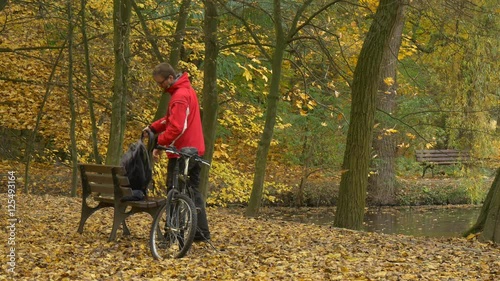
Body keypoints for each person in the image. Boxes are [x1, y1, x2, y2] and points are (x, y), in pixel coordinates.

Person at [143, 62, 210, 242]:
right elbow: (173, 118)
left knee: (174, 191)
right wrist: (154, 127)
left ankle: (174, 235)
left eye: (161, 82)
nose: (160, 87)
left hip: (182, 152)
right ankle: (200, 233)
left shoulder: (179, 96)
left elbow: (177, 127)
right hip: (196, 150)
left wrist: (158, 143)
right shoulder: (187, 90)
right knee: (192, 192)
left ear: (170, 78)